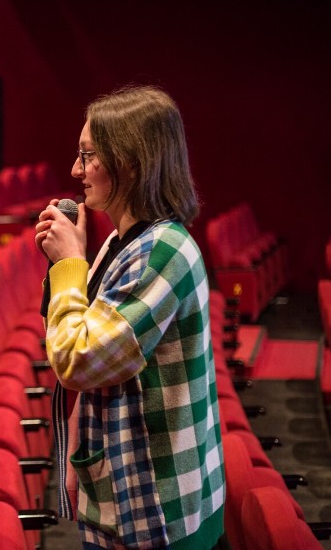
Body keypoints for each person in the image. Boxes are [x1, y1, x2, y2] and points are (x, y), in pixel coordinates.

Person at [35, 85, 224, 548]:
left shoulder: (161, 250)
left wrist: (67, 266)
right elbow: (78, 336)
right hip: (126, 492)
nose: (76, 170)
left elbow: (77, 358)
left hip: (157, 509)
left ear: (131, 162)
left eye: (88, 155)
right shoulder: (124, 241)